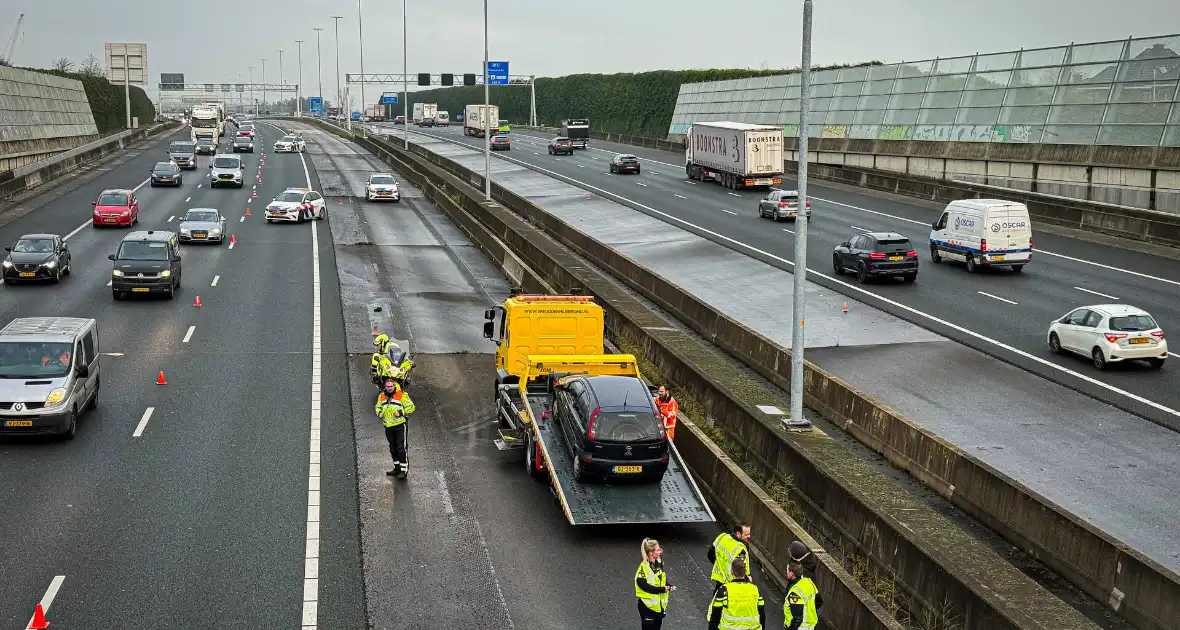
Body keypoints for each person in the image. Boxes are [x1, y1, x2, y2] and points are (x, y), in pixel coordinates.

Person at [707, 557, 765, 630]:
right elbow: (762, 615)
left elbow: (715, 617)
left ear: (731, 572)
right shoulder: (755, 590)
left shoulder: (724, 590)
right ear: (745, 571)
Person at [375, 376, 416, 478]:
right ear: (385, 387)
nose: (389, 388)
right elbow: (378, 407)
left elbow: (411, 407)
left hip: (400, 425)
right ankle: (396, 468)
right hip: (388, 426)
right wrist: (379, 413)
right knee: (393, 448)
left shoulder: (401, 395)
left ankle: (403, 470)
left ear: (394, 386)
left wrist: (400, 412)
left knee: (401, 448)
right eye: (387, 386)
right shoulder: (381, 396)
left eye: (391, 386)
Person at [635, 538, 676, 629]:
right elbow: (644, 586)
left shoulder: (658, 565)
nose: (661, 551)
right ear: (650, 553)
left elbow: (661, 580)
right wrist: (663, 589)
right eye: (658, 550)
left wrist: (669, 586)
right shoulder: (643, 568)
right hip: (647, 608)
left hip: (658, 608)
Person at [783, 541, 822, 630]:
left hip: (801, 617)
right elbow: (819, 601)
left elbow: (797, 618)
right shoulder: (808, 564)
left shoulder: (803, 575)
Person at [709, 522, 752, 591]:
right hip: (731, 583)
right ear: (738, 534)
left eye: (749, 533)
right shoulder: (741, 549)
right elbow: (740, 570)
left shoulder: (722, 537)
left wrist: (720, 566)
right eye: (746, 534)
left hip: (719, 578)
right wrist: (747, 579)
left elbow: (710, 554)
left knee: (718, 596)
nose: (749, 536)